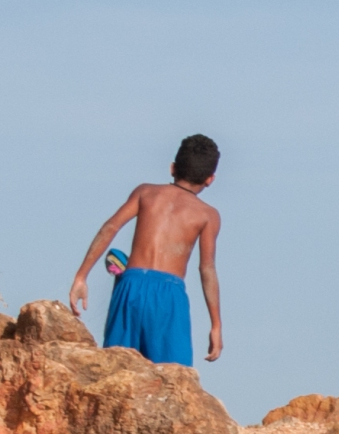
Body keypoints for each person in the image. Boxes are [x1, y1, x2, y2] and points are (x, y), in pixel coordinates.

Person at [67, 134, 225, 365]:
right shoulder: (207, 215)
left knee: (117, 370)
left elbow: (110, 228)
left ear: (172, 168)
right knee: (172, 377)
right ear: (210, 179)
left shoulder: (146, 193)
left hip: (130, 285)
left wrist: (81, 277)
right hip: (168, 295)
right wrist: (216, 324)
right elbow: (207, 269)